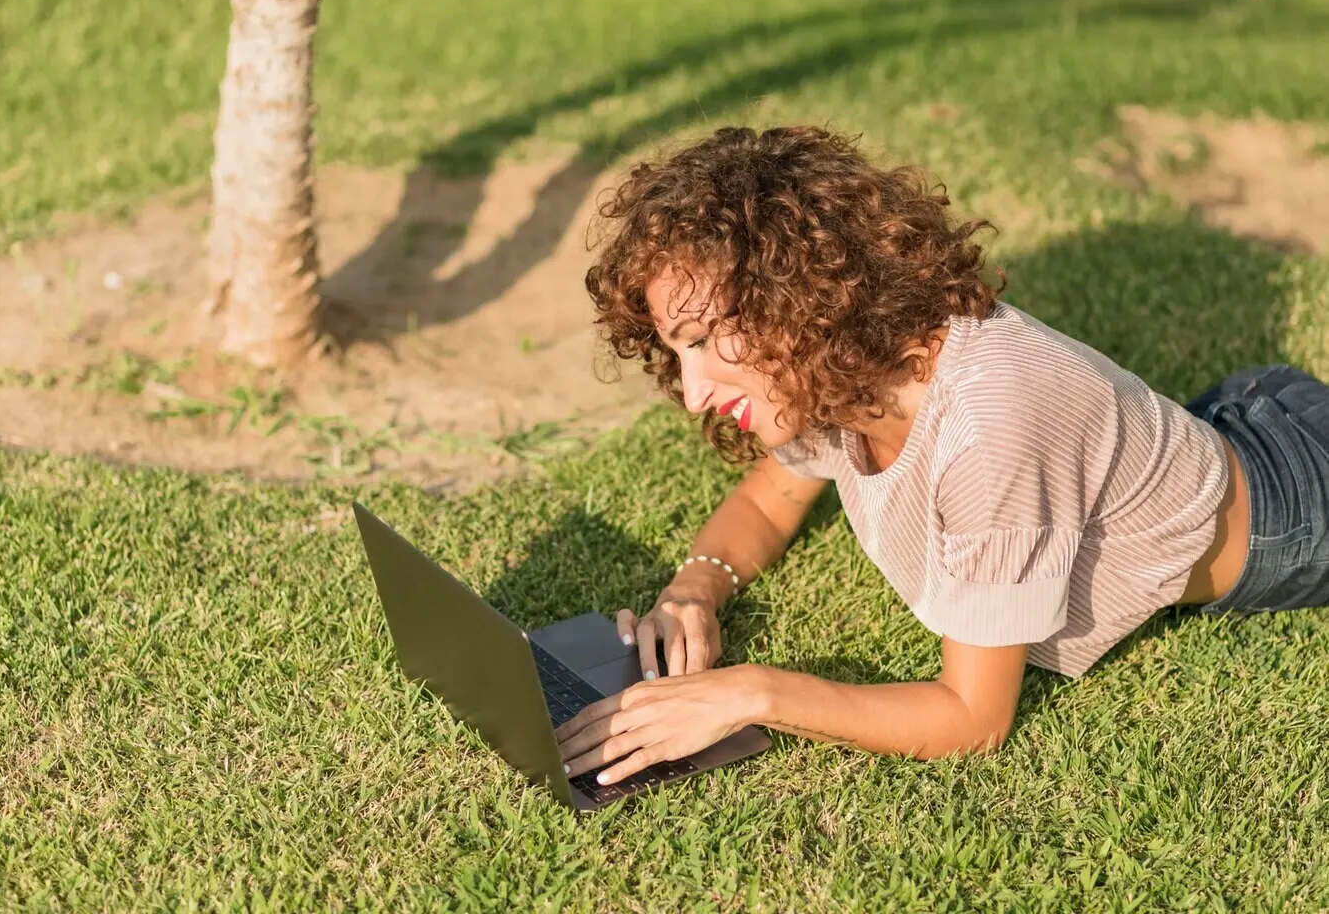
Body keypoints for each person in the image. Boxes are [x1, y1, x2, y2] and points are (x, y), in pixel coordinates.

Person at [554, 125, 1329, 788]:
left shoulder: (987, 426)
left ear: (789, 293)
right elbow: (768, 498)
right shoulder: (835, 363)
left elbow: (972, 718)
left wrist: (748, 694)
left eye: (701, 340)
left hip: (1294, 513)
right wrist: (697, 588)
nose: (692, 393)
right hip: (1234, 420)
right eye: (674, 352)